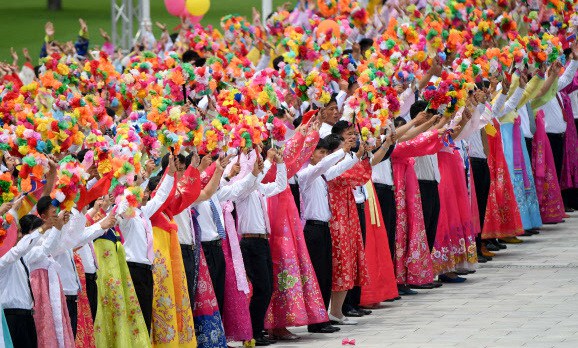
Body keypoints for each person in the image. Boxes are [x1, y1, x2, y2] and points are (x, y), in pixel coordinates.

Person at [237, 149, 287, 346]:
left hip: (262, 241)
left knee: (267, 288)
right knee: (261, 289)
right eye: (254, 166)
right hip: (251, 243)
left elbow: (281, 185)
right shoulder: (243, 188)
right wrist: (266, 161)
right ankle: (253, 332)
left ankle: (256, 330)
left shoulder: (258, 189)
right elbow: (251, 181)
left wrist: (280, 163)